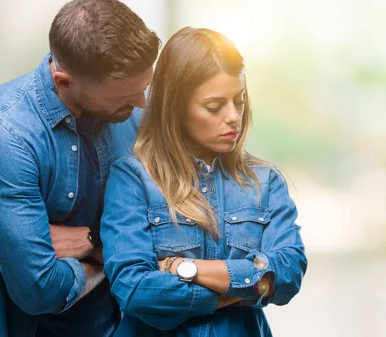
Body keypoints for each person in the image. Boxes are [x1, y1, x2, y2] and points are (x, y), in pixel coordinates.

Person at [0, 1, 160, 336]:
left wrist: (93, 243)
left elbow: (174, 233)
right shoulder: (1, 132)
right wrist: (123, 254)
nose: (142, 103)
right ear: (64, 81)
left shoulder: (134, 107)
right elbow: (40, 290)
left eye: (143, 87)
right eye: (126, 96)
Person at [100, 27, 308, 337]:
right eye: (214, 107)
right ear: (175, 108)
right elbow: (134, 289)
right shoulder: (133, 178)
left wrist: (185, 268)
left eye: (238, 101)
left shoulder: (265, 182)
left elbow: (288, 274)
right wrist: (244, 289)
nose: (233, 117)